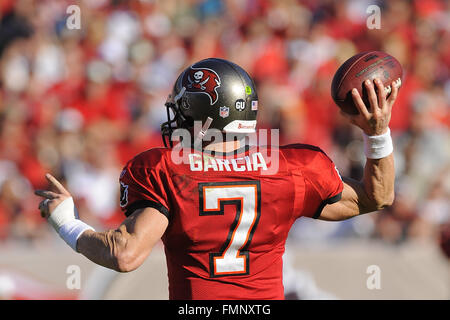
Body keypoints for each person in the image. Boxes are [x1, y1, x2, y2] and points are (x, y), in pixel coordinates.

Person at [35, 58, 398, 300]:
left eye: (183, 106)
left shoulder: (166, 169)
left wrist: (65, 220)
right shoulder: (291, 168)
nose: (176, 116)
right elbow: (376, 197)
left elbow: (126, 254)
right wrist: (377, 132)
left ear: (204, 116)